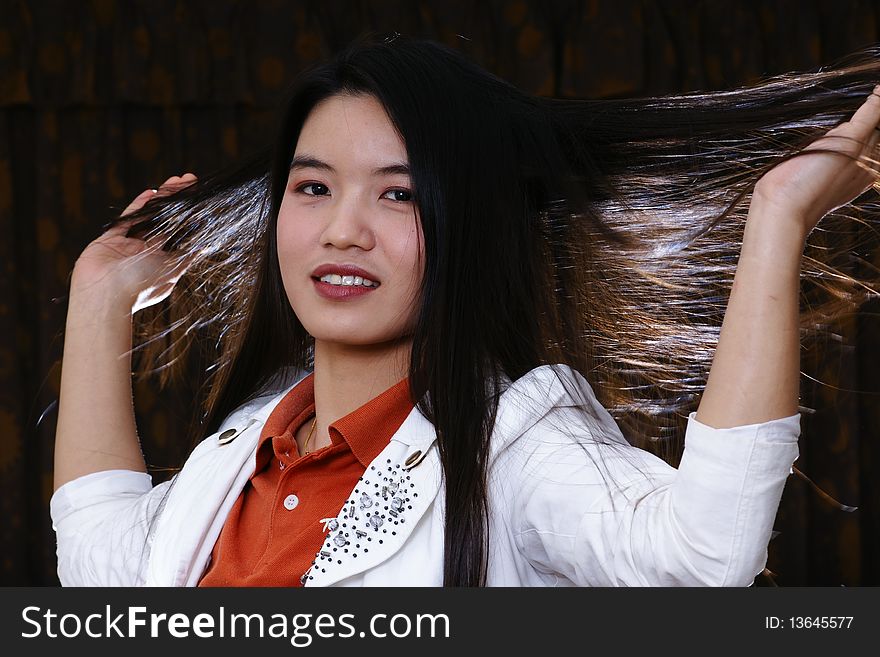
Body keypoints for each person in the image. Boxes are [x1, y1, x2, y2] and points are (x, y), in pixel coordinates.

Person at [50, 35, 880, 586]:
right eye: (313, 187)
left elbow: (704, 555)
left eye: (399, 194)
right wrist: (100, 294)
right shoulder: (243, 452)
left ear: (466, 223)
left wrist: (776, 218)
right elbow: (100, 565)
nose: (344, 230)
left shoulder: (511, 442)